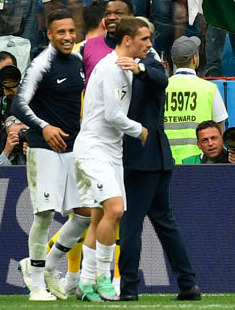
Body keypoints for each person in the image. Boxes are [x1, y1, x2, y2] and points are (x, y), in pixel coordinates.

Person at [117, 14, 199, 301]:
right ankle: (188, 284)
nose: (150, 43)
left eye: (150, 38)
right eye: (145, 38)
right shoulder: (118, 64)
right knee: (164, 222)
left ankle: (127, 289)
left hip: (144, 160)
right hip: (156, 158)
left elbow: (159, 79)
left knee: (130, 223)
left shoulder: (149, 63)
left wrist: (138, 68)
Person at [71, 16, 152, 302]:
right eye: (144, 39)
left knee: (100, 218)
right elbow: (113, 115)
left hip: (111, 150)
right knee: (115, 210)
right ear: (127, 40)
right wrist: (139, 130)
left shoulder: (125, 68)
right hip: (94, 149)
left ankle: (85, 283)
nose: (149, 44)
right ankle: (104, 278)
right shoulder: (110, 68)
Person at [12, 10, 89, 300]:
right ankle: (36, 286)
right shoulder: (41, 63)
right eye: (61, 33)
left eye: (71, 31)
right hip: (44, 149)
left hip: (72, 150)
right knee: (44, 215)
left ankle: (45, 266)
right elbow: (18, 105)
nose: (67, 37)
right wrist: (44, 128)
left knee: (84, 215)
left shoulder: (79, 61)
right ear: (50, 35)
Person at [159, 36, 227, 163]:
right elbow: (220, 126)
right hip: (197, 162)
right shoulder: (209, 88)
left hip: (165, 159)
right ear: (195, 58)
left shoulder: (161, 88)